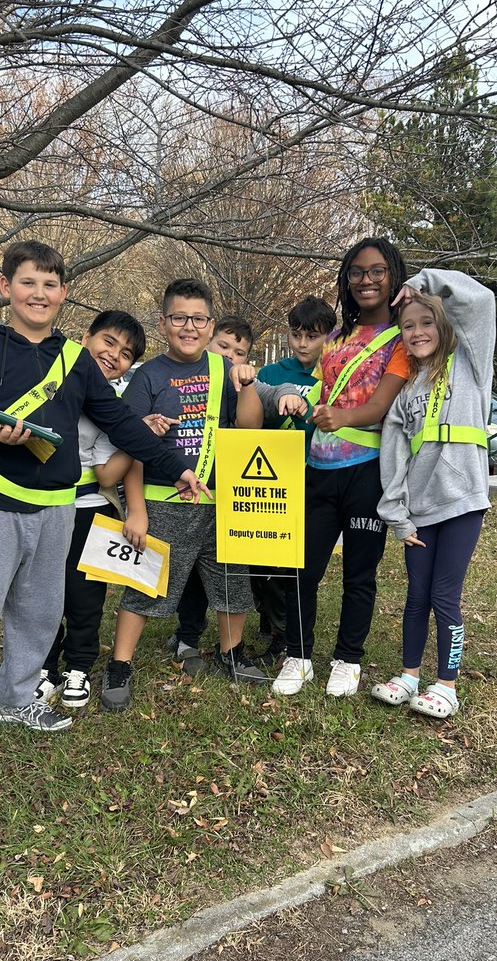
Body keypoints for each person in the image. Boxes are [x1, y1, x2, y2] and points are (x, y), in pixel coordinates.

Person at [0, 242, 205, 778]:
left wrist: (176, 467)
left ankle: (15, 700)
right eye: (28, 282)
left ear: (64, 293)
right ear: (6, 287)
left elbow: (120, 423)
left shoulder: (75, 360)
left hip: (57, 507)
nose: (39, 294)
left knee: (39, 612)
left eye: (50, 284)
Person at [99, 281, 270, 711]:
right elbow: (134, 447)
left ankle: (231, 653)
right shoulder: (147, 376)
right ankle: (120, 664)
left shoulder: (224, 370)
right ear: (163, 323)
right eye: (179, 318)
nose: (188, 327)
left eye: (198, 319)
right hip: (163, 501)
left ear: (210, 325)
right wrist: (136, 510)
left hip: (221, 501)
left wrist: (248, 385)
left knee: (232, 580)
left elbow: (250, 429)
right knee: (143, 585)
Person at [272, 238, 411, 698]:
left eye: (377, 271)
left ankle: (348, 660)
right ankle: (298, 657)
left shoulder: (401, 338)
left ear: (393, 276)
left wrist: (342, 417)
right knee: (302, 568)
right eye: (356, 272)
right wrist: (302, 401)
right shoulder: (336, 339)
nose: (366, 280)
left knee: (359, 573)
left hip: (367, 472)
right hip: (318, 468)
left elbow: (379, 405)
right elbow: (323, 391)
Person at [370, 272, 495, 719]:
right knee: (416, 596)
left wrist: (422, 281)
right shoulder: (405, 393)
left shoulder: (470, 365)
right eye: (408, 325)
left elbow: (480, 302)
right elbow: (394, 457)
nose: (417, 332)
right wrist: (397, 516)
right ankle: (409, 676)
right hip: (419, 514)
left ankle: (446, 686)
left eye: (427, 323)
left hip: (462, 503)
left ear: (444, 326)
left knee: (445, 595)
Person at [168, 314, 306, 674]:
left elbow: (274, 392)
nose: (231, 357)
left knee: (230, 570)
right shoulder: (191, 379)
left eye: (239, 352)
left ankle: (231, 645)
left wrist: (289, 395)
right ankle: (187, 635)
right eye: (224, 346)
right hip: (192, 493)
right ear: (208, 342)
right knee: (190, 571)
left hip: (234, 498)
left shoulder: (246, 383)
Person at [35, 310, 146, 710]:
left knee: (85, 594)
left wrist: (137, 435)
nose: (114, 355)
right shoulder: (47, 381)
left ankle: (78, 667)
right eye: (108, 342)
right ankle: (43, 667)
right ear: (86, 338)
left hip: (90, 509)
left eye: (126, 354)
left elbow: (106, 474)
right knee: (41, 589)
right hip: (42, 505)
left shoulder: (113, 406)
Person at [254, 295, 336, 664]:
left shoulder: (334, 373)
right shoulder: (272, 373)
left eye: (312, 336)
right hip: (271, 478)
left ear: (328, 337)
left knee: (294, 563)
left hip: (313, 477)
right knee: (263, 558)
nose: (302, 344)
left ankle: (287, 634)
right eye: (296, 334)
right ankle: (272, 623)